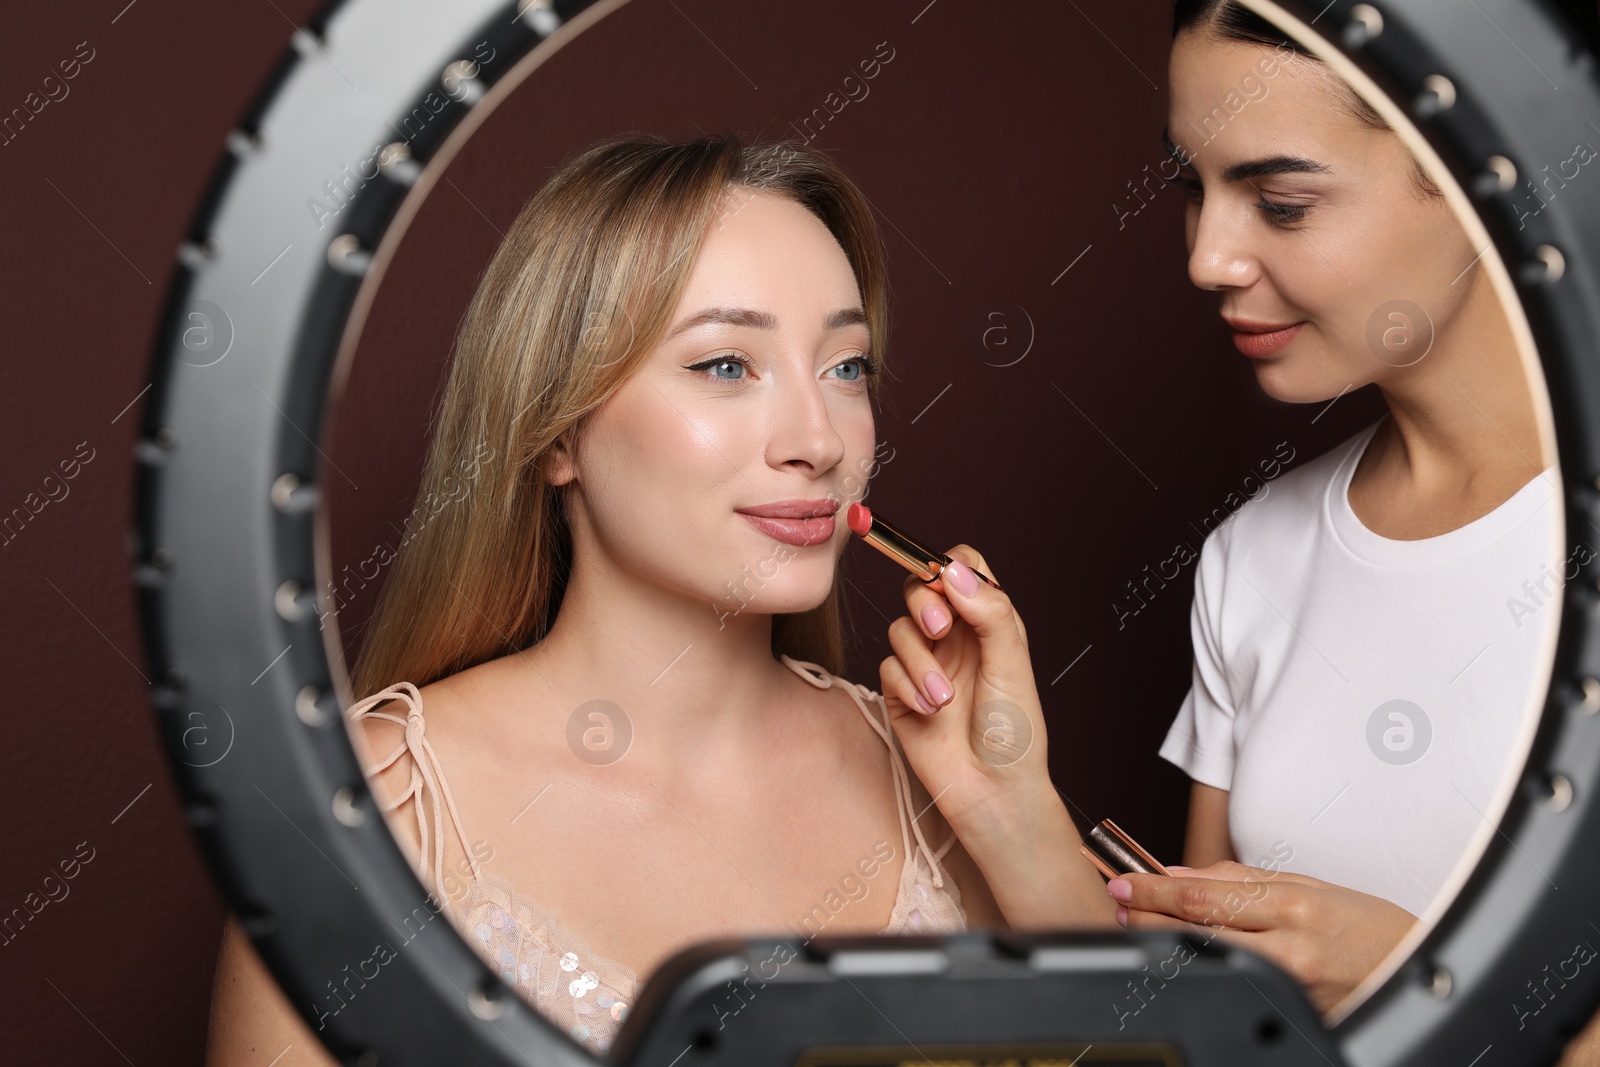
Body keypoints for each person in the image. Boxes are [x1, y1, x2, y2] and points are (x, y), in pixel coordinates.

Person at [205, 134, 1118, 1063]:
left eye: (847, 367)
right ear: (557, 433)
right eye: (726, 365)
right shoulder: (371, 812)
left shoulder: (941, 786)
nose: (820, 440)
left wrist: (1015, 815)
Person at [1105, 0, 1565, 1025]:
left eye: (1279, 201)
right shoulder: (1253, 553)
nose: (1206, 258)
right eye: (1194, 186)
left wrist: (1424, 980)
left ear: (1477, 173)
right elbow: (1205, 1010)